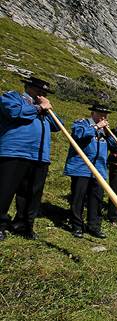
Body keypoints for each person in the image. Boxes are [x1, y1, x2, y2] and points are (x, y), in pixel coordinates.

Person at [0, 76, 60, 241]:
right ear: (27, 87)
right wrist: (38, 108)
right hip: (15, 151)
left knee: (31, 193)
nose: (42, 93)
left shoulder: (44, 109)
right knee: (5, 191)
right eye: (38, 89)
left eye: (45, 91)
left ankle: (23, 224)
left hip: (40, 156)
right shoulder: (12, 97)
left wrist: (47, 110)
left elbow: (56, 126)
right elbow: (14, 112)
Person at [64, 102, 117, 238]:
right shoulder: (82, 123)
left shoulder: (105, 130)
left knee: (96, 199)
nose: (103, 118)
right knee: (78, 198)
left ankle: (94, 226)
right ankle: (77, 226)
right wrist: (96, 127)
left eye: (105, 116)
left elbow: (114, 147)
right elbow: (78, 134)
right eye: (100, 114)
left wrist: (107, 133)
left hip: (99, 169)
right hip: (82, 167)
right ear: (93, 113)